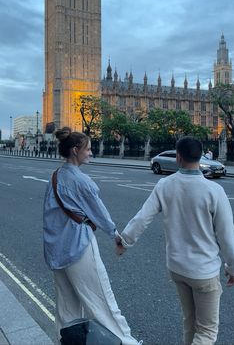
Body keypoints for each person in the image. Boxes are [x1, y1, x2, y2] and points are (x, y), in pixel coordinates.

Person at [116, 136, 234, 345]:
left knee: (190, 323)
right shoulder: (214, 190)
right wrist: (233, 268)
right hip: (203, 271)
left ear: (178, 157)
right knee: (207, 332)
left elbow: (142, 217)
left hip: (177, 268)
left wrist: (124, 241)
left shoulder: (165, 185)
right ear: (201, 157)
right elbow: (226, 236)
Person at [43, 127, 142, 345]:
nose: (91, 152)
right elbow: (101, 214)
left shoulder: (56, 176)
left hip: (57, 248)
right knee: (102, 300)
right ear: (76, 150)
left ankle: (66, 340)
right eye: (88, 149)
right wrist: (116, 236)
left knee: (66, 305)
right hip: (78, 246)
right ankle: (126, 341)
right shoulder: (81, 181)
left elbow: (50, 215)